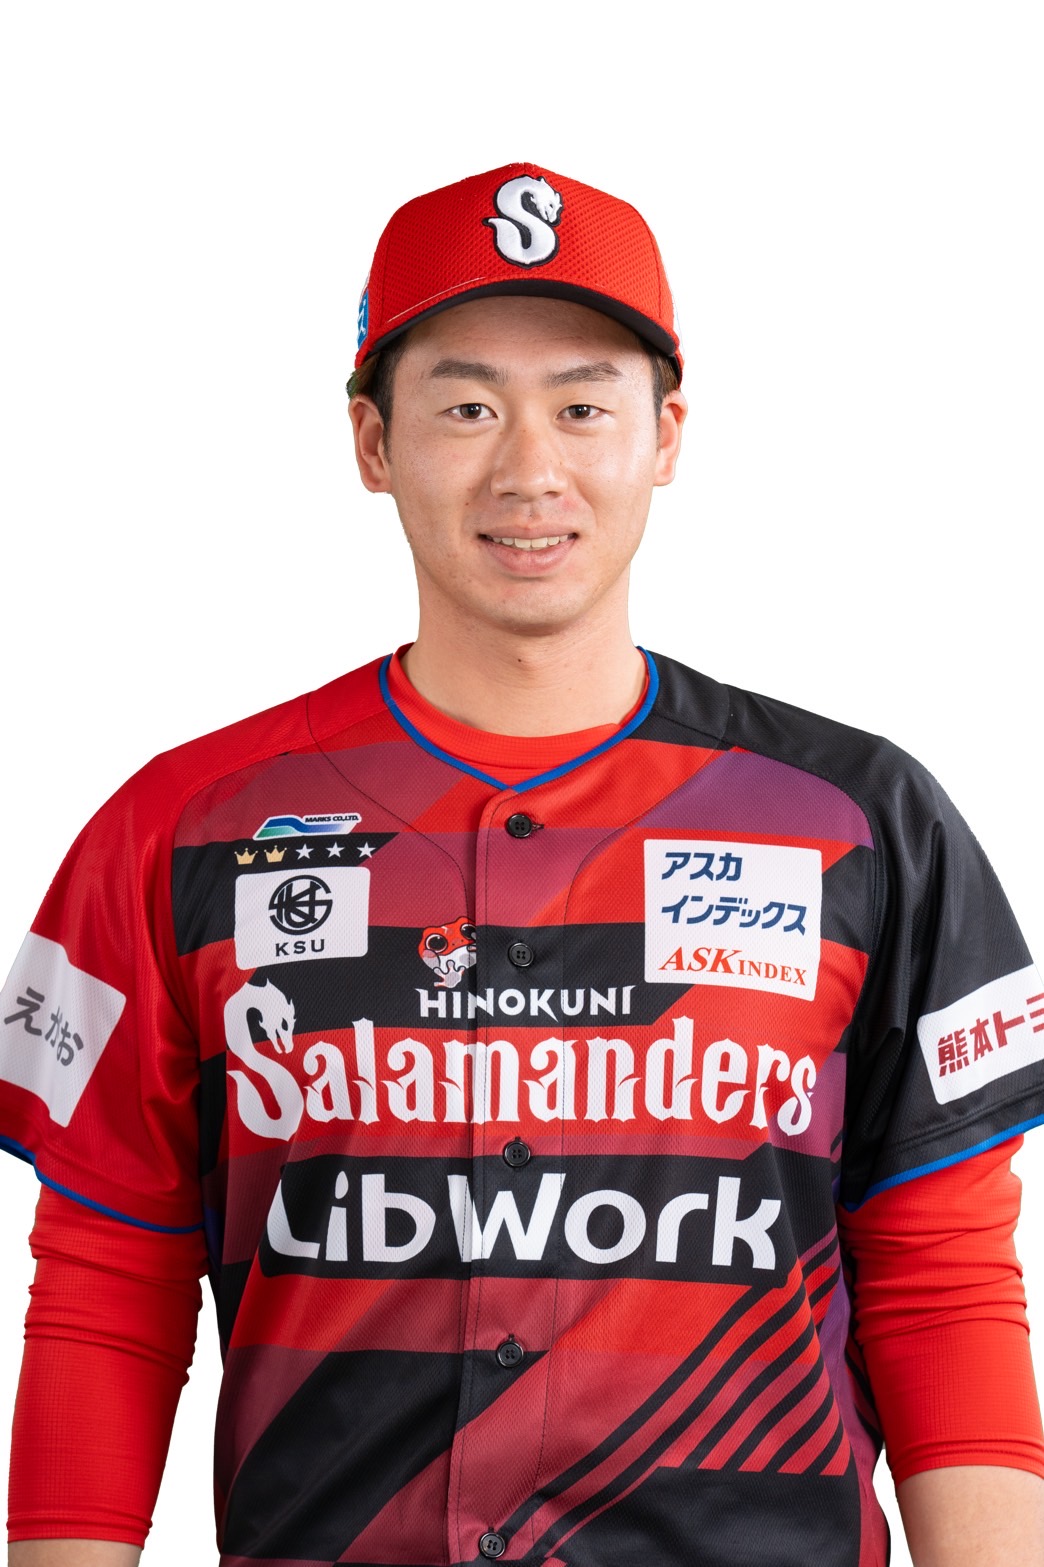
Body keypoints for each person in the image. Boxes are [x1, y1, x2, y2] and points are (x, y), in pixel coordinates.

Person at [2, 161, 1043, 1567]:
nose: (529, 471)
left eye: (584, 405)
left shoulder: (860, 819)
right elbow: (107, 1288)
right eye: (468, 406)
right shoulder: (179, 827)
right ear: (372, 441)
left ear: (668, 435)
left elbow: (941, 1280)